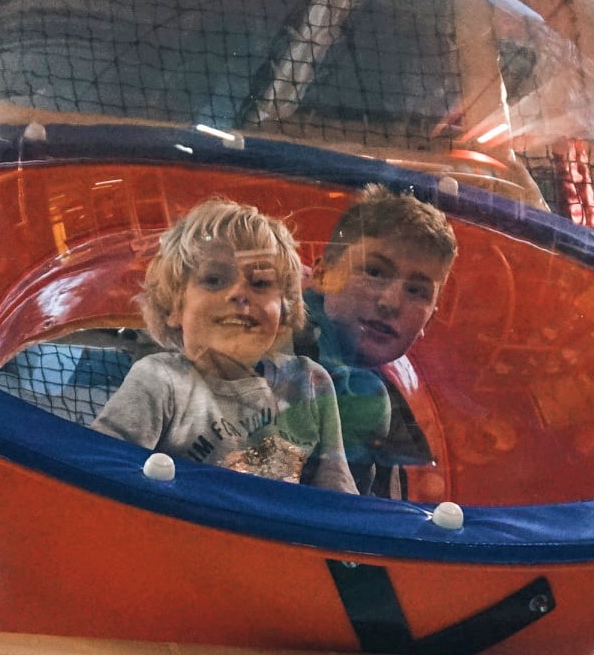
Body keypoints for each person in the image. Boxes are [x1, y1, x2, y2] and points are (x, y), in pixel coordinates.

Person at [92, 198, 356, 493]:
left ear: (284, 311)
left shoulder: (310, 382)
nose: (239, 293)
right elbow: (100, 470)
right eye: (214, 280)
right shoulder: (161, 380)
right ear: (174, 308)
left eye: (259, 284)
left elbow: (337, 486)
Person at [298, 184, 458, 498]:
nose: (391, 302)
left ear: (430, 319)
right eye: (374, 272)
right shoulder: (281, 352)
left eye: (416, 291)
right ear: (322, 274)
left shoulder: (368, 379)